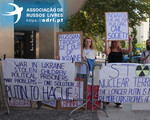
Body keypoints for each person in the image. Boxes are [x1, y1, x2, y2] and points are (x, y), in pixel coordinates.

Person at [104, 36, 132, 108]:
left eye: (117, 41)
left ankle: (118, 101)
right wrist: (106, 42)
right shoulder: (110, 49)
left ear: (119, 42)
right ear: (112, 42)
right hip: (110, 70)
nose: (116, 43)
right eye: (114, 41)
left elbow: (129, 51)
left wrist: (130, 42)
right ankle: (107, 101)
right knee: (109, 86)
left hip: (119, 71)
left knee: (118, 86)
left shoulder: (121, 50)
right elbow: (107, 53)